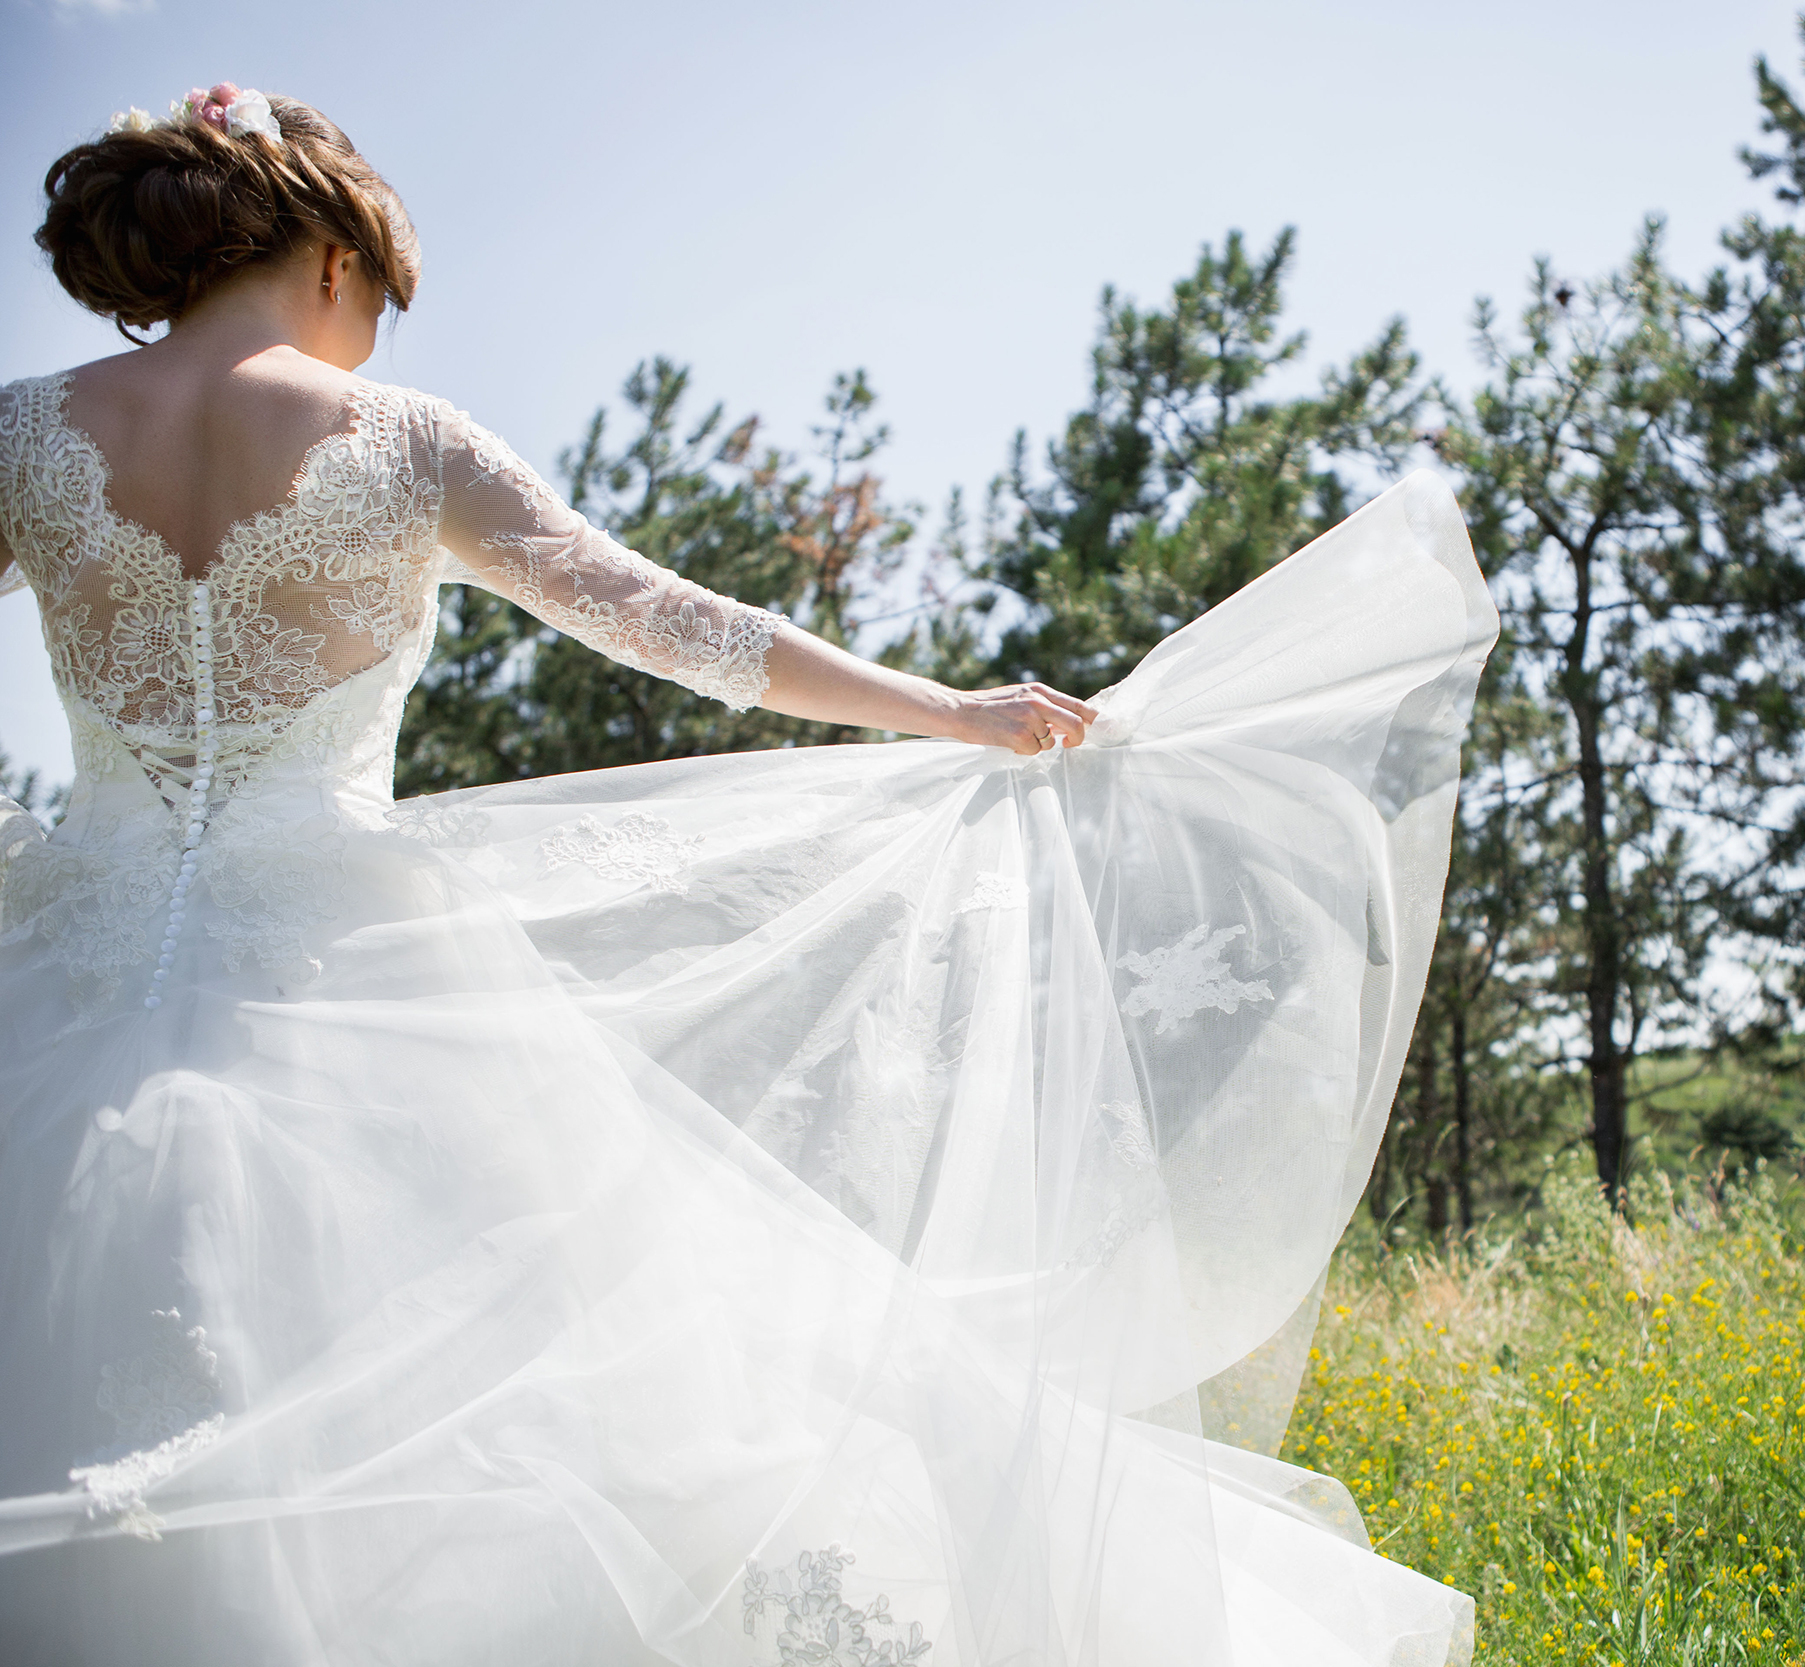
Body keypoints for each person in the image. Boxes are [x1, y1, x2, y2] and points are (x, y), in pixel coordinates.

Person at [0, 85, 1497, 1666]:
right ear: (332, 258)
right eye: (380, 287)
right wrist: (955, 714)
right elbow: (682, 629)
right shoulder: (405, 443)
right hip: (346, 969)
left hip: (72, 947)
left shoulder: (27, 431)